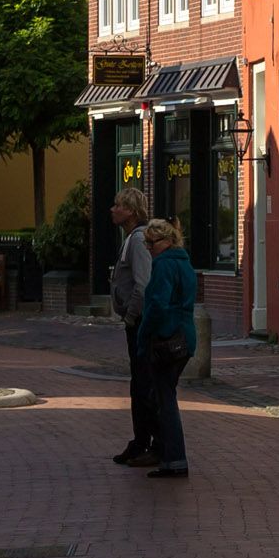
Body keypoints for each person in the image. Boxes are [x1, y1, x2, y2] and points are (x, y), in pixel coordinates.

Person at [134, 216, 200, 479]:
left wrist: (143, 335)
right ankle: (171, 455)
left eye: (152, 242)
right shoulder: (185, 263)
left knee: (165, 400)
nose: (148, 248)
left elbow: (157, 305)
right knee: (165, 395)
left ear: (167, 240)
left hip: (167, 339)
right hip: (186, 337)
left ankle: (173, 459)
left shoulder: (162, 265)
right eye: (146, 243)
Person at [107, 184, 157, 466]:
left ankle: (145, 442)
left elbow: (143, 283)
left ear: (130, 211)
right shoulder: (132, 238)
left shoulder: (137, 240)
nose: (113, 209)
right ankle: (140, 440)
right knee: (139, 384)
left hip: (138, 324)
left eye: (118, 205)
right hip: (135, 321)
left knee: (143, 384)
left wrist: (130, 316)